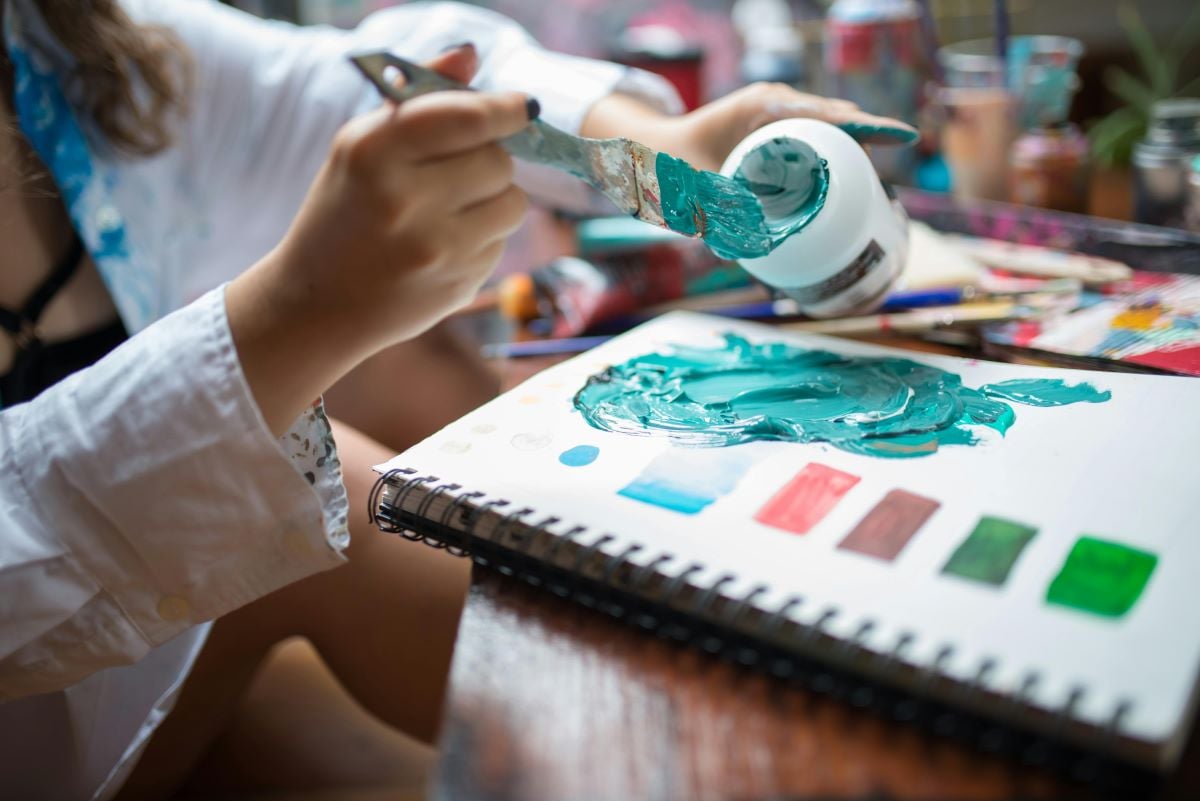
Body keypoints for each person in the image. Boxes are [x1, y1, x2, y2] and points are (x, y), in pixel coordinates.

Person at [0, 1, 915, 798]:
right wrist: (287, 318)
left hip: (120, 637)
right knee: (344, 491)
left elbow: (348, 82)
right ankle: (749, 740)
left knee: (413, 371)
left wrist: (660, 145)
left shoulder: (55, 39)